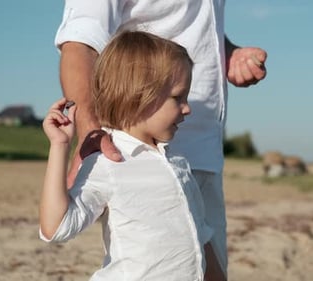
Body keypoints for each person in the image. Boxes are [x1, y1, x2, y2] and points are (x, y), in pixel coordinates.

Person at [55, 1, 267, 276]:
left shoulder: (181, 165)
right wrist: (91, 136)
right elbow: (80, 41)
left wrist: (225, 51)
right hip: (134, 156)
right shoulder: (113, 167)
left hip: (203, 153)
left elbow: (191, 20)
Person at [40, 30, 225, 280]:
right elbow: (56, 228)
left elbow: (199, 237)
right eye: (177, 97)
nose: (187, 108)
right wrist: (60, 146)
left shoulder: (178, 164)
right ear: (139, 94)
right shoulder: (108, 164)